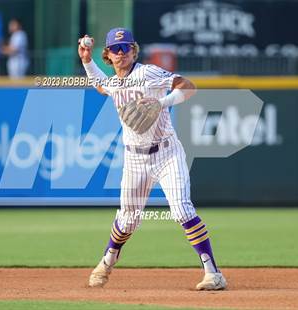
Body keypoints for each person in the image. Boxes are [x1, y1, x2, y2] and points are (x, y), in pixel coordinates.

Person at [78, 28, 227, 291]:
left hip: (167, 152)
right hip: (135, 159)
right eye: (116, 49)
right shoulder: (114, 83)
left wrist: (163, 103)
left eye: (126, 48)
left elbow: (188, 87)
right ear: (108, 55)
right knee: (127, 220)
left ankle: (213, 273)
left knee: (181, 209)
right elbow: (101, 85)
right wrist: (87, 61)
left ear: (134, 50)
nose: (121, 53)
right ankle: (107, 261)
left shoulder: (148, 73)